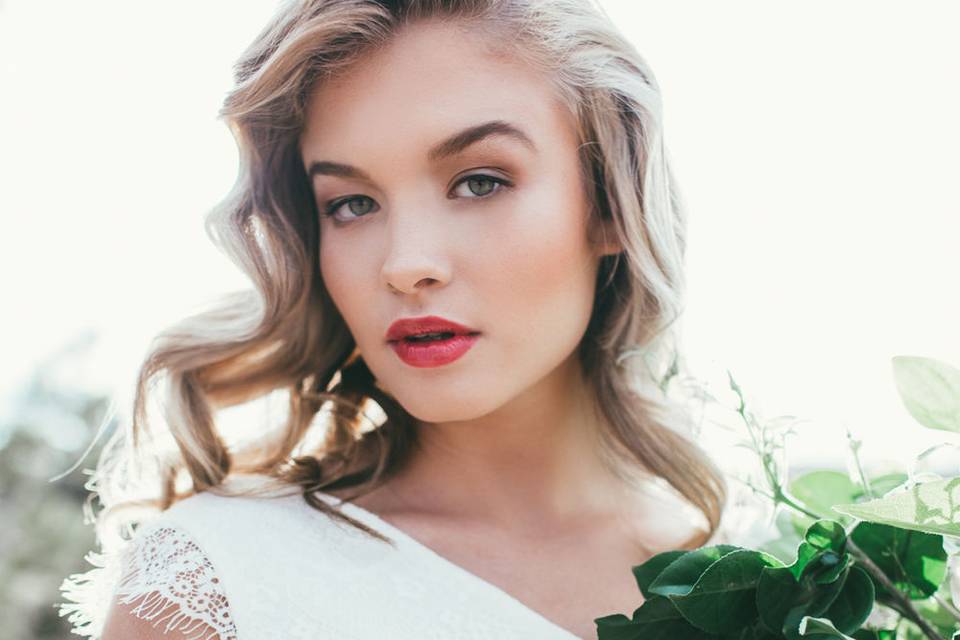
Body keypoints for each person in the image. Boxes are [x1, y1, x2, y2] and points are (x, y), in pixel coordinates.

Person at [57, 0, 730, 638]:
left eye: (479, 182)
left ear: (610, 201)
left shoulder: (753, 577)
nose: (405, 265)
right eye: (351, 204)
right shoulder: (218, 579)